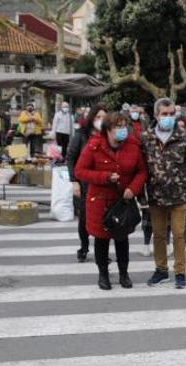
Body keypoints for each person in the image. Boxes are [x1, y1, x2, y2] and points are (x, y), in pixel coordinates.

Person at [75, 112, 147, 290]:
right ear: (107, 129)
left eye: (125, 126)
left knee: (122, 238)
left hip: (123, 200)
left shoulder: (133, 145)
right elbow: (80, 171)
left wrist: (133, 188)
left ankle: (124, 273)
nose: (123, 130)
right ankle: (103, 274)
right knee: (102, 239)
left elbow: (142, 171)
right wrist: (105, 177)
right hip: (100, 200)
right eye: (118, 127)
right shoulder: (94, 146)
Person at [142, 98, 186, 289]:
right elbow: (141, 166)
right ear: (156, 115)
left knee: (179, 235)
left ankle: (180, 272)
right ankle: (161, 270)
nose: (168, 117)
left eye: (171, 114)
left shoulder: (184, 137)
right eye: (164, 114)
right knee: (159, 235)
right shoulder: (147, 138)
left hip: (180, 196)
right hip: (156, 196)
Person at [67, 104, 108, 263]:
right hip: (84, 184)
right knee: (84, 218)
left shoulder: (109, 135)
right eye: (98, 117)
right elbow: (71, 157)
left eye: (104, 117)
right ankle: (84, 247)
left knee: (103, 220)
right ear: (91, 118)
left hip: (103, 184)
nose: (101, 121)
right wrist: (74, 181)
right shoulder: (81, 134)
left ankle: (102, 252)